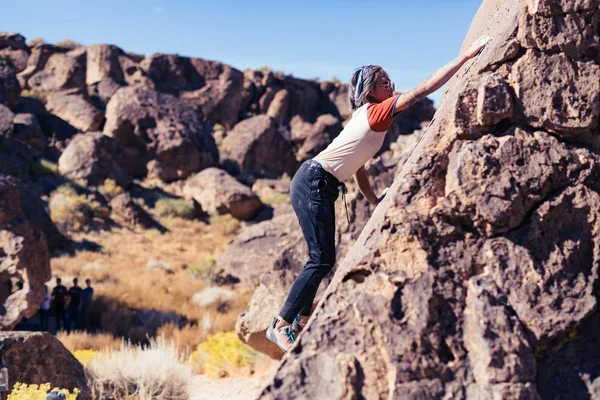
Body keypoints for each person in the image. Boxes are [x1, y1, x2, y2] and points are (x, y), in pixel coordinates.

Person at [266, 36, 492, 353]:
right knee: (321, 259)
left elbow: (359, 169)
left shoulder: (368, 117)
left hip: (319, 184)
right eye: (384, 81)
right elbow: (422, 90)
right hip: (314, 182)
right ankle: (280, 325)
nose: (391, 84)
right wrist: (467, 56)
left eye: (390, 79)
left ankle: (300, 324)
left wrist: (375, 203)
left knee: (322, 260)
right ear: (371, 91)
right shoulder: (375, 112)